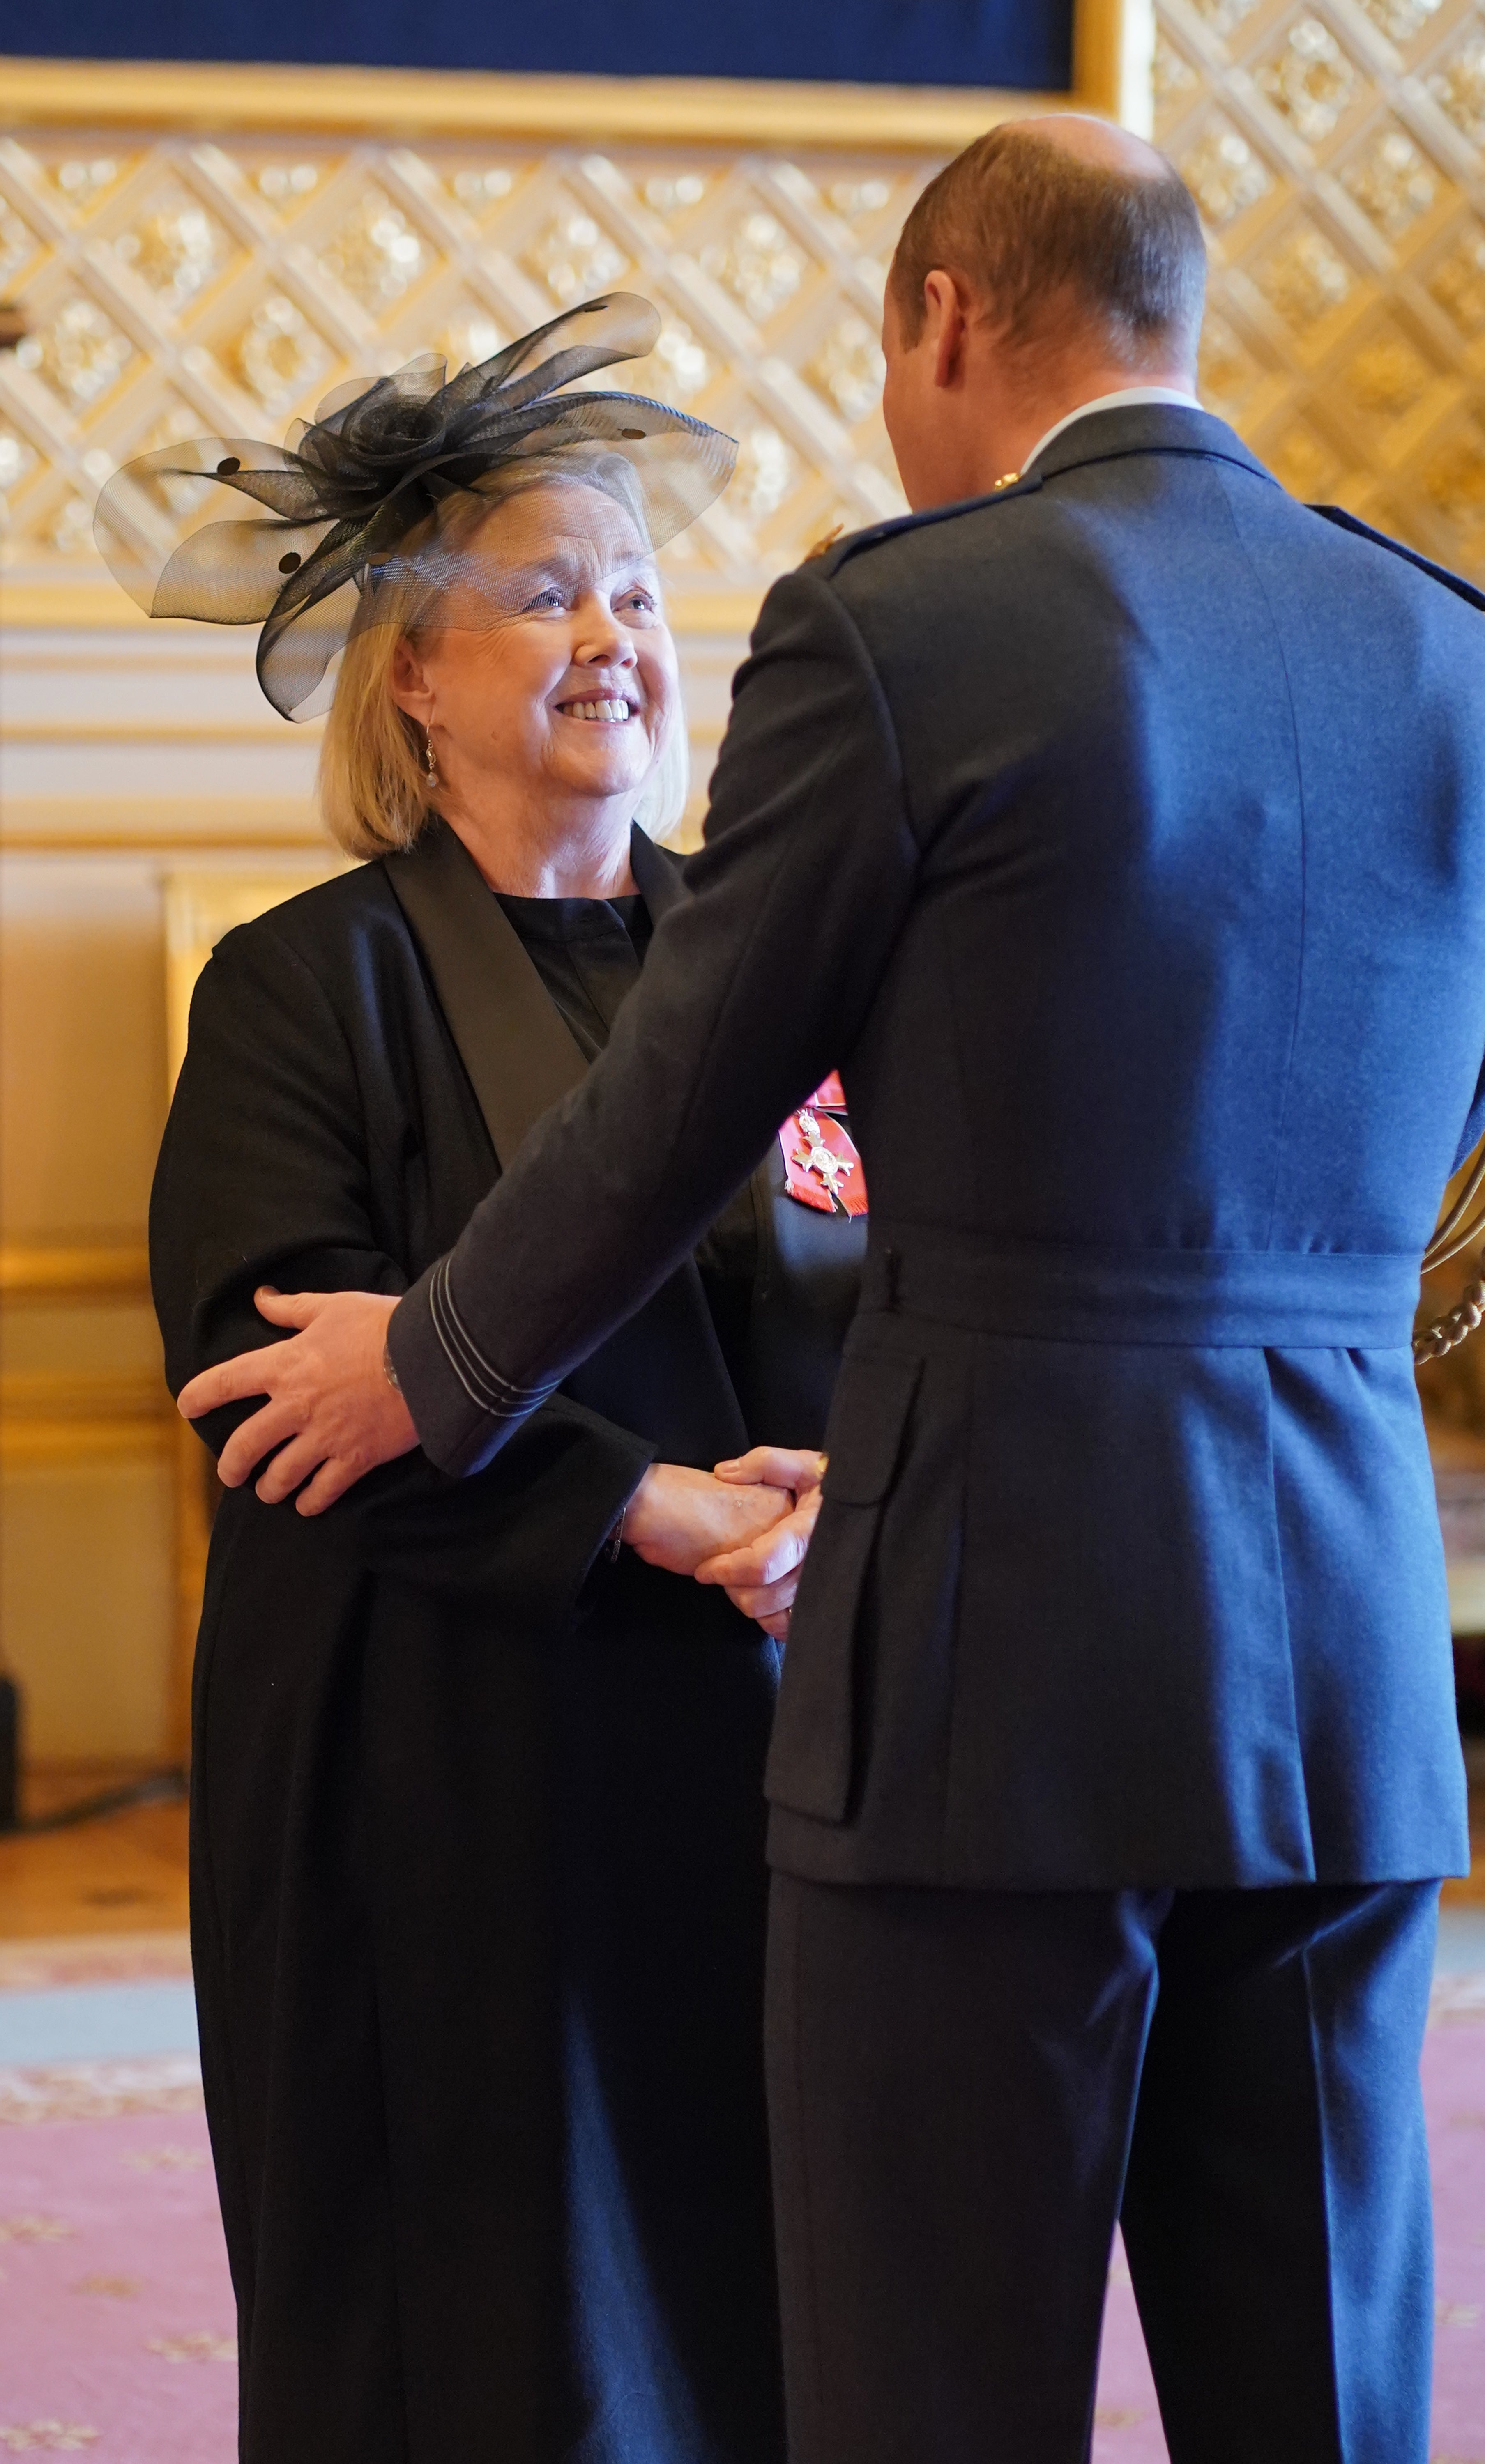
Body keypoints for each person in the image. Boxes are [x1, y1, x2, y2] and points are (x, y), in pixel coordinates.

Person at [177, 122, 1485, 2464]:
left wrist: (434, 1359)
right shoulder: (1474, 664)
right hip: (1340, 1651)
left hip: (976, 1662)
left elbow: (676, 1110)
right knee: (1326, 2385)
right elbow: (1442, 1168)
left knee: (931, 2387)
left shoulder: (907, 625)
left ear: (941, 319)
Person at [130, 300, 867, 2464]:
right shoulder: (305, 989)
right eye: (544, 593)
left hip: (759, 1744)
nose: (612, 633)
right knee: (489, 2352)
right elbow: (267, 1391)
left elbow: (890, 1276)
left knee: (763, 2312)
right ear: (413, 675)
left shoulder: (780, 964)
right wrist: (655, 1505)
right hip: (439, 1774)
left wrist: (839, 1491)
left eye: (635, 591)